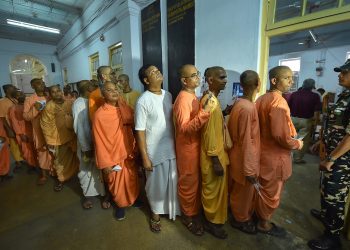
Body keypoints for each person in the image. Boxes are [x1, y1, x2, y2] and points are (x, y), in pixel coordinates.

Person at [255, 66, 303, 237]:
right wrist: (297, 144)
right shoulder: (278, 101)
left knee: (262, 189)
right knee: (272, 193)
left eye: (292, 77)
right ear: (274, 80)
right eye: (287, 78)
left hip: (262, 154)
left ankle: (259, 216)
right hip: (275, 157)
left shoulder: (261, 99)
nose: (291, 81)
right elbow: (280, 136)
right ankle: (264, 223)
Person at [308, 59, 350, 250]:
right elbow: (336, 125)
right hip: (332, 152)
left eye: (344, 72)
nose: (340, 75)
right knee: (326, 190)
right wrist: (321, 142)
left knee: (335, 195)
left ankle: (332, 237)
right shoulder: (345, 96)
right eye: (340, 72)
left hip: (342, 159)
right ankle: (327, 216)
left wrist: (332, 158)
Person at [135, 65, 180, 232]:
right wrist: (145, 157)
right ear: (146, 80)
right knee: (155, 185)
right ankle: (155, 213)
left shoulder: (168, 95)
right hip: (153, 150)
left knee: (171, 182)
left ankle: (168, 210)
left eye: (158, 70)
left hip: (170, 147)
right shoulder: (143, 100)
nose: (158, 72)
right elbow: (139, 131)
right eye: (153, 72)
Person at [173, 64, 213, 236]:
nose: (198, 77)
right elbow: (185, 128)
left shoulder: (192, 96)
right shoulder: (182, 99)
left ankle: (194, 211)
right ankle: (188, 216)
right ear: (184, 80)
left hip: (196, 146)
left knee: (196, 183)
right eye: (194, 75)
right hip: (187, 149)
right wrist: (205, 112)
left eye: (198, 74)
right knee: (188, 183)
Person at [93, 81, 140, 220]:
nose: (114, 92)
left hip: (128, 150)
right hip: (112, 156)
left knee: (132, 178)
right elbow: (99, 141)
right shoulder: (100, 115)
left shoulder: (124, 108)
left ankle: (134, 199)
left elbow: (134, 124)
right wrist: (105, 163)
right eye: (109, 90)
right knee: (117, 182)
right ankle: (120, 205)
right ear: (103, 94)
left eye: (116, 89)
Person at [227, 70, 261, 234]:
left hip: (237, 154)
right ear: (258, 84)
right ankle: (240, 219)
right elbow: (247, 140)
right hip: (244, 157)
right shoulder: (247, 108)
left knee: (237, 190)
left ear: (241, 85)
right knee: (243, 192)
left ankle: (237, 214)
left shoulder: (239, 103)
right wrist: (249, 169)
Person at [199, 66, 229, 239]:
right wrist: (216, 161)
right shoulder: (210, 101)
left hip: (217, 153)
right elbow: (209, 134)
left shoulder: (213, 100)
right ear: (210, 80)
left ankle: (214, 220)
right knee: (212, 192)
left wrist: (224, 113)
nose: (225, 80)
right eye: (222, 77)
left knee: (217, 192)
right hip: (212, 157)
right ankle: (211, 223)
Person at [72, 80, 106, 209]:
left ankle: (102, 193)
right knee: (85, 170)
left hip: (96, 142)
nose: (94, 85)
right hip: (85, 143)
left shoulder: (92, 100)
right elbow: (79, 127)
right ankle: (87, 196)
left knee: (98, 169)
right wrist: (86, 148)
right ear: (87, 88)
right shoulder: (78, 103)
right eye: (91, 85)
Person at [40, 85, 79, 191]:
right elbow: (45, 125)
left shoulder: (70, 103)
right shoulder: (49, 107)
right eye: (53, 92)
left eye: (58, 90)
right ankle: (61, 179)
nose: (57, 93)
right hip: (57, 139)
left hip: (72, 136)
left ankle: (74, 176)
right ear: (50, 94)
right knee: (59, 161)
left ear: (61, 91)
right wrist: (49, 141)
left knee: (75, 158)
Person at [23, 78, 53, 184]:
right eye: (38, 83)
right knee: (42, 152)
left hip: (52, 130)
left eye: (43, 83)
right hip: (39, 130)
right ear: (33, 87)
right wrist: (35, 109)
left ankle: (54, 171)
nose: (42, 84)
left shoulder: (49, 96)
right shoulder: (29, 99)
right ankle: (44, 175)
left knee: (54, 151)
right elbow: (26, 116)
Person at [288, 78, 322, 164]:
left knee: (291, 138)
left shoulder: (294, 94)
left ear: (303, 85)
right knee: (301, 140)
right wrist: (316, 123)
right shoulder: (315, 96)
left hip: (293, 119)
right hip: (306, 121)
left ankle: (287, 157)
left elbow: (287, 108)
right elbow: (317, 112)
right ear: (312, 87)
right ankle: (297, 159)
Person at [8, 91, 37, 170]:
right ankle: (31, 165)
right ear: (15, 98)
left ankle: (38, 164)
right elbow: (14, 123)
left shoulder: (28, 105)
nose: (21, 96)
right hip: (22, 132)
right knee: (26, 150)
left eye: (22, 94)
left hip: (32, 130)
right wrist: (21, 134)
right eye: (18, 95)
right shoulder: (13, 108)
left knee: (35, 148)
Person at [0, 84, 24, 170]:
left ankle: (22, 159)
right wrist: (9, 129)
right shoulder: (2, 102)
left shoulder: (14, 99)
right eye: (12, 88)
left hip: (17, 125)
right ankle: (18, 162)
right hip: (10, 126)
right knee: (13, 145)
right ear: (7, 90)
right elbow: (2, 117)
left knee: (19, 143)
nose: (14, 89)